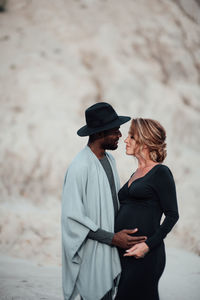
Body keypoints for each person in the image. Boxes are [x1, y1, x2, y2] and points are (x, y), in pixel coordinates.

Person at [61, 103, 147, 300]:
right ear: (99, 133)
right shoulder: (79, 167)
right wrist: (113, 238)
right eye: (115, 130)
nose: (119, 135)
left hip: (111, 248)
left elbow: (111, 205)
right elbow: (72, 219)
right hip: (91, 252)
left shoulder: (109, 160)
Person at [114, 118, 179, 300]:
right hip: (126, 254)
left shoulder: (161, 172)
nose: (126, 140)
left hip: (145, 255)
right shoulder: (135, 173)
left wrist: (147, 246)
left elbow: (173, 215)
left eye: (131, 137)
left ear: (144, 141)